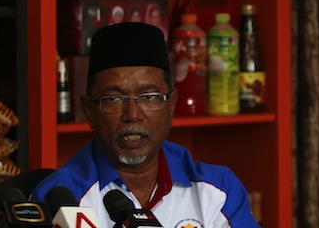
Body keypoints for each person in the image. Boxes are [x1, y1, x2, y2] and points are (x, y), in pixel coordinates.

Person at [31, 22, 260, 227]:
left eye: (149, 97)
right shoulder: (60, 199)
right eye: (113, 99)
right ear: (89, 110)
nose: (132, 115)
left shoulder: (217, 192)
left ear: (172, 104)